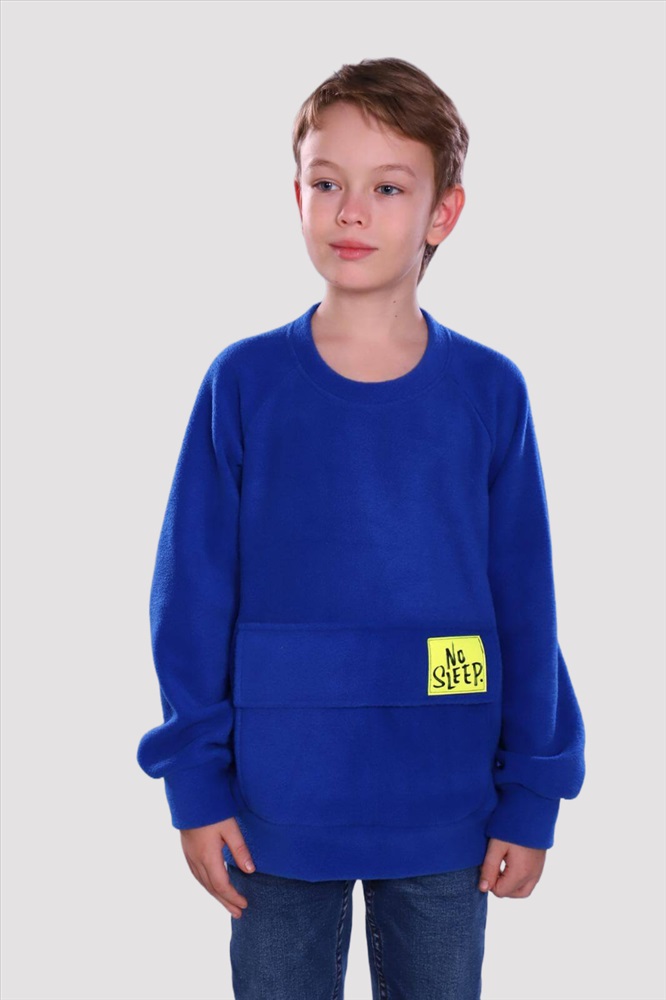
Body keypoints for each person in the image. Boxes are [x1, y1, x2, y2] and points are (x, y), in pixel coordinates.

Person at [136, 57, 586, 1000]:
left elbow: (526, 603)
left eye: (387, 188)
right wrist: (195, 782)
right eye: (327, 183)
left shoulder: (490, 391)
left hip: (447, 800)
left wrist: (533, 791)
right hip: (275, 805)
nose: (351, 212)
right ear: (296, 195)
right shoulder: (244, 383)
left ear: (442, 213)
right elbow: (190, 594)